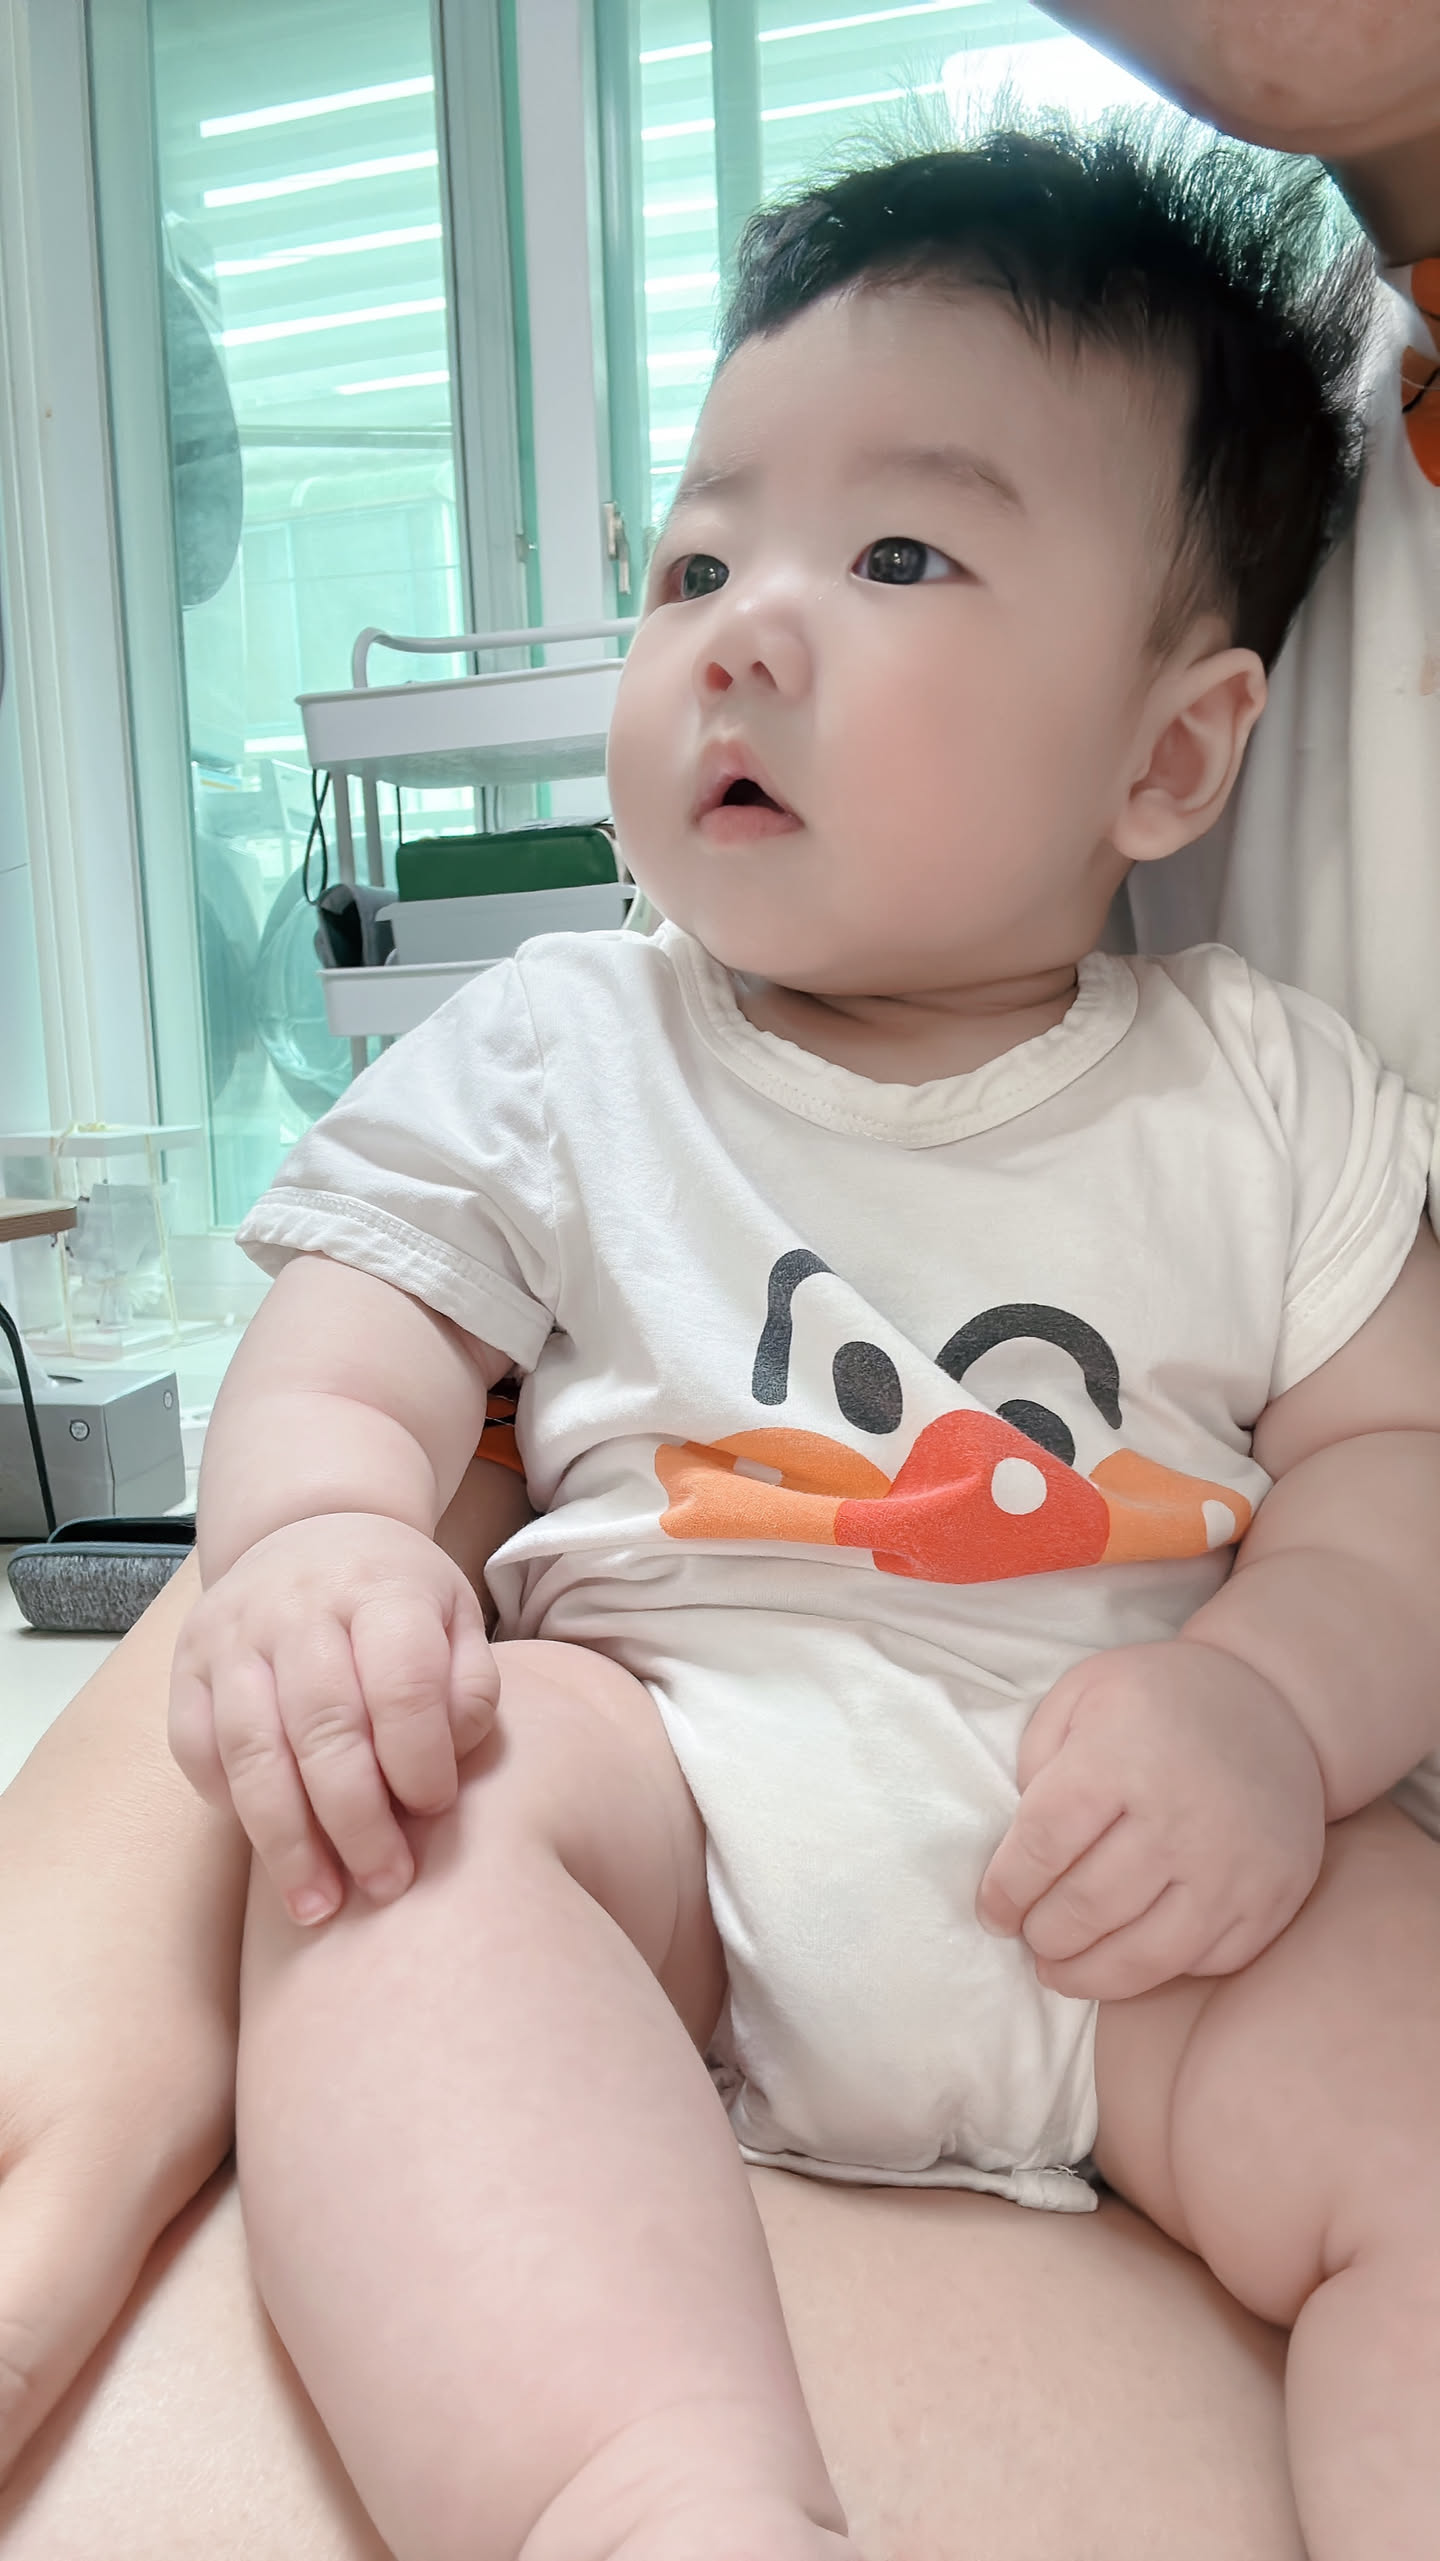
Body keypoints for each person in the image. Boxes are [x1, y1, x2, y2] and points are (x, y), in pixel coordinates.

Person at [0, 11, 1435, 2557]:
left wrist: (1276, 1710)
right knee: (413, 1864)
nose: (745, 631)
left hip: (1161, 1884)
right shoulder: (565, 1043)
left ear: (1171, 760)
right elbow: (356, 1341)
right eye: (694, 565)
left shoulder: (1267, 1087)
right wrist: (319, 1546)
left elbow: (1397, 1470)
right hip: (679, 1814)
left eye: (898, 560)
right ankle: (643, 2491)